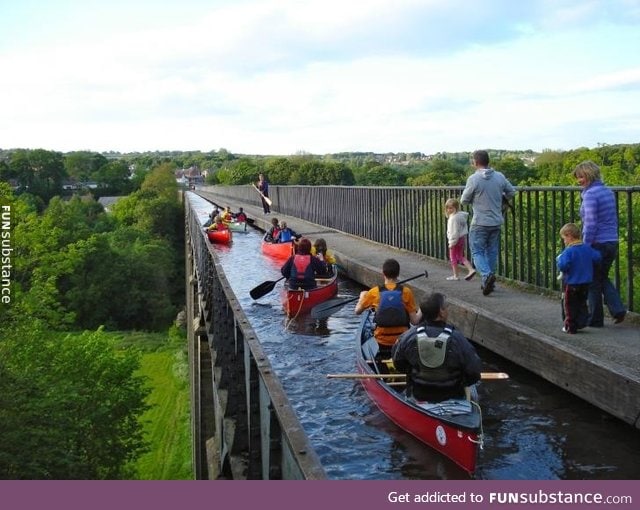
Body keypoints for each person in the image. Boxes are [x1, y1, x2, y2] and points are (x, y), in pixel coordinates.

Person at [392, 292, 482, 402]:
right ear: (441, 312)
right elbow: (474, 371)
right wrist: (463, 382)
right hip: (452, 395)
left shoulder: (408, 337)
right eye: (446, 307)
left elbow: (398, 364)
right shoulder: (458, 338)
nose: (447, 309)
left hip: (419, 394)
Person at [573, 160, 627, 326]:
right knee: (601, 276)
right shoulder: (607, 191)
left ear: (588, 175)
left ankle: (595, 319)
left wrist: (585, 246)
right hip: (612, 241)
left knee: (593, 281)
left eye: (581, 177)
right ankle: (618, 310)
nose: (578, 181)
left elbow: (590, 223)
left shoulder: (590, 195)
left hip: (597, 242)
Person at [461, 150, 516, 296]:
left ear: (475, 162)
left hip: (479, 221)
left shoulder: (473, 179)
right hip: (496, 221)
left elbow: (464, 200)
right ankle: (487, 281)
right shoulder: (499, 177)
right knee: (491, 251)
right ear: (488, 161)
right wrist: (501, 198)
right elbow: (511, 192)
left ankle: (486, 275)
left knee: (477, 251)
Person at [354, 258, 421, 359]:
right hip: (402, 341)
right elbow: (415, 321)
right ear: (398, 274)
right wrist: (423, 308)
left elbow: (357, 311)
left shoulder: (374, 292)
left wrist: (362, 297)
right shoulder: (406, 292)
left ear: (383, 273)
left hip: (381, 342)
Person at [556, 223, 602, 334]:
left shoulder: (568, 251)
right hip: (585, 283)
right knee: (581, 303)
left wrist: (559, 260)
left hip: (572, 283)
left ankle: (570, 326)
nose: (564, 241)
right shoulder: (587, 248)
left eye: (564, 238)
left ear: (569, 236)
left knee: (569, 305)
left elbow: (563, 265)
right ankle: (581, 322)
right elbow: (597, 257)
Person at [444, 198, 476, 281]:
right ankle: (471, 269)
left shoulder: (453, 219)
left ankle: (455, 275)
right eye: (448, 208)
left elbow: (454, 232)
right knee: (460, 256)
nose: (449, 210)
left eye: (451, 208)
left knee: (453, 257)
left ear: (456, 208)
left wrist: (451, 243)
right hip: (461, 238)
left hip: (455, 240)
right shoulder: (460, 216)